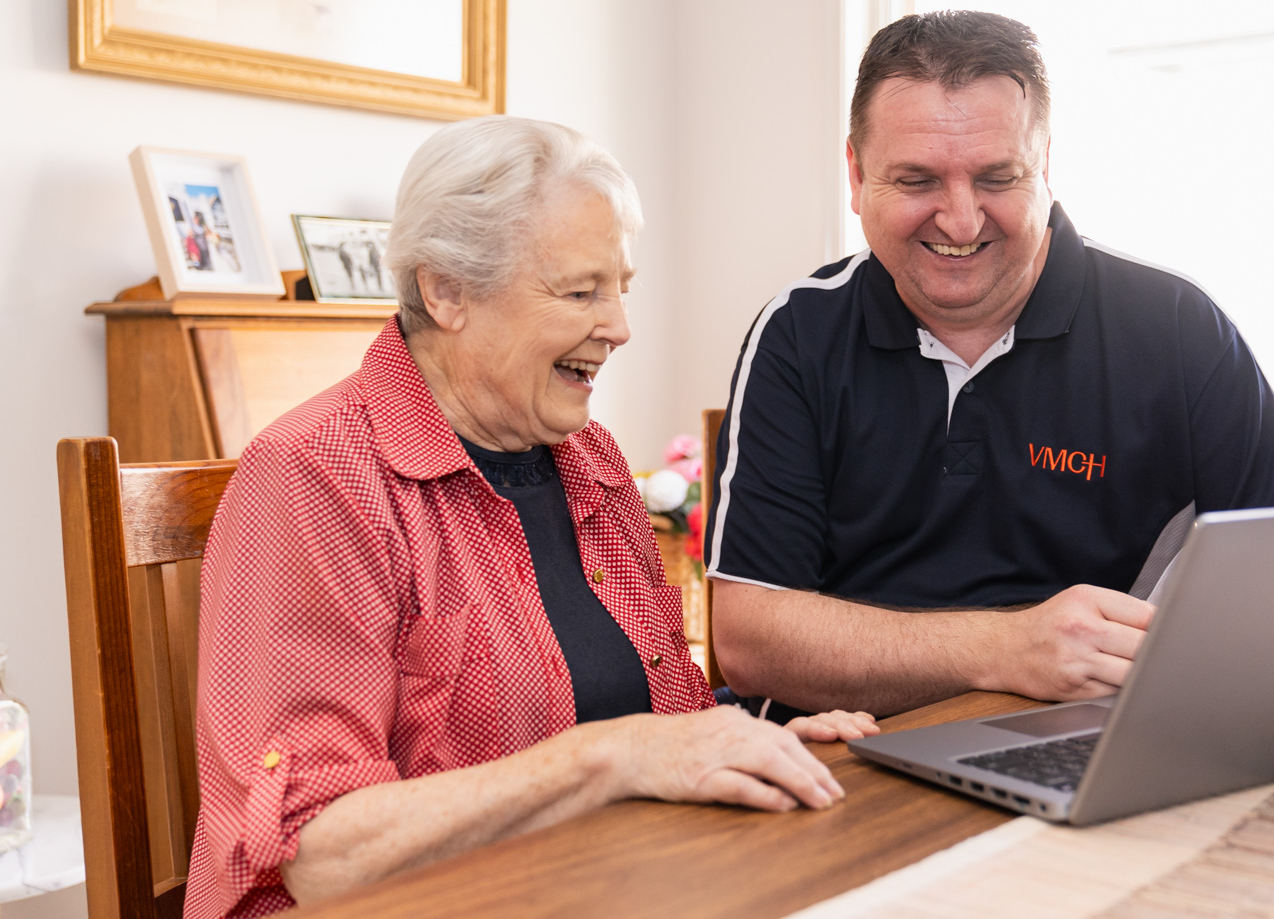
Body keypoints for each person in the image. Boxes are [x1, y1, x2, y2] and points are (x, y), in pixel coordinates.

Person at [185, 116, 879, 919]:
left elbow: (653, 716)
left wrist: (749, 740)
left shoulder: (591, 460)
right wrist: (609, 759)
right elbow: (319, 851)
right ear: (446, 290)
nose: (619, 327)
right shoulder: (317, 475)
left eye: (621, 288)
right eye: (581, 292)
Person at [705, 10, 1274, 758]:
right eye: (917, 179)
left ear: (1045, 165)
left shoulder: (1175, 328)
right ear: (858, 175)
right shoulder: (799, 332)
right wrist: (1006, 648)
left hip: (1101, 750)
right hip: (840, 760)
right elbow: (751, 640)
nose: (960, 219)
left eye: (997, 177)